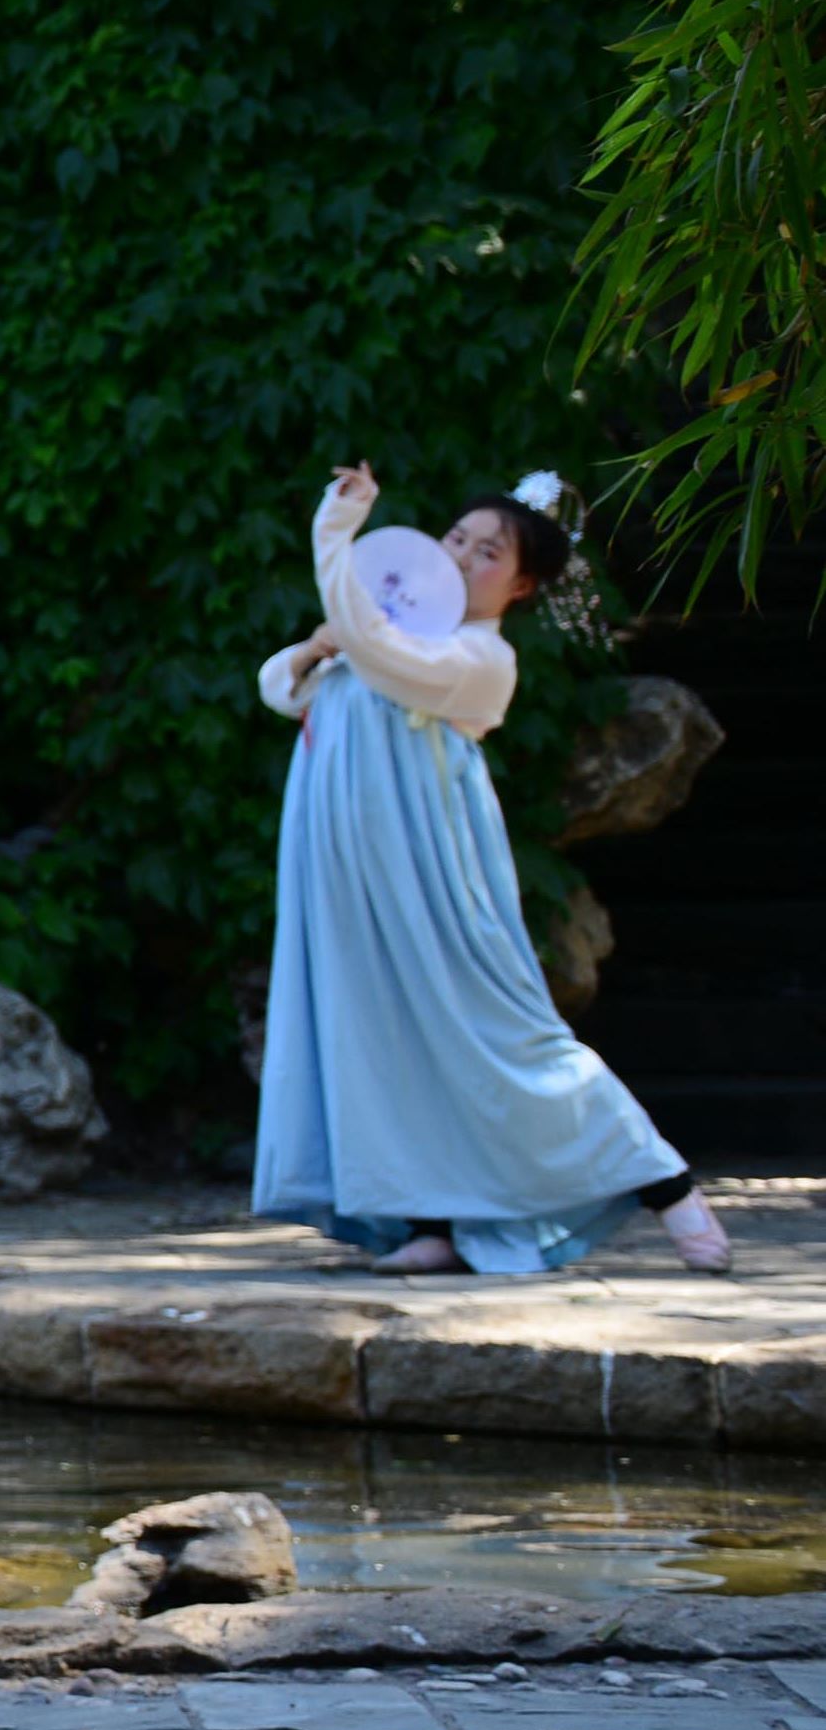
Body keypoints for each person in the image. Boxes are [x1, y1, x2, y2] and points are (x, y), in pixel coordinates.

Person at [250, 464, 726, 1279]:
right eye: (457, 539)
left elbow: (374, 649)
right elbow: (283, 687)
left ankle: (667, 1184)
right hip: (351, 875)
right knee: (383, 1030)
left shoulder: (477, 657)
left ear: (523, 583)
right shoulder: (391, 628)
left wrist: (338, 533)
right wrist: (314, 646)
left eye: (489, 553)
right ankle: (434, 1219)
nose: (464, 557)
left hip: (428, 874)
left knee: (498, 1026)